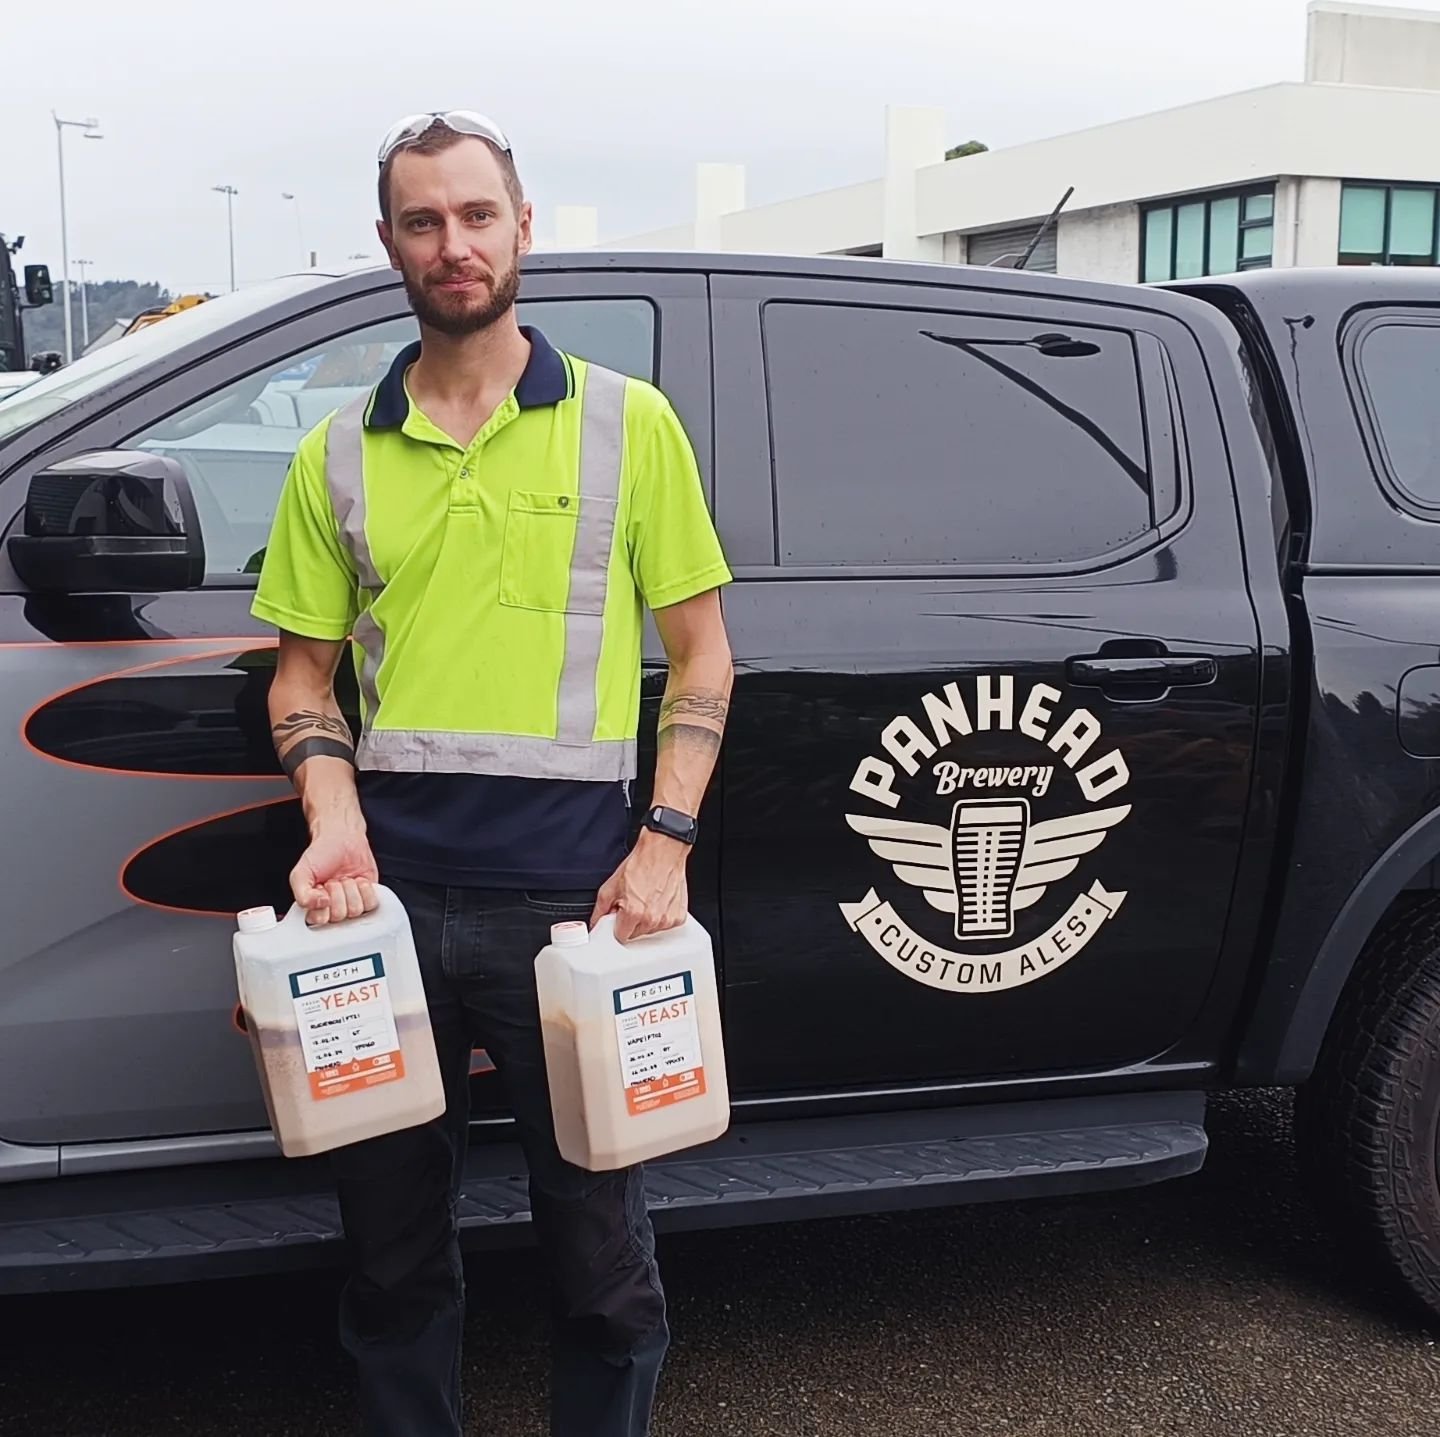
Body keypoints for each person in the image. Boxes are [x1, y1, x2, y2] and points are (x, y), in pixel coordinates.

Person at [251, 108, 735, 1437]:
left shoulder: (629, 430)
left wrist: (664, 846)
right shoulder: (335, 455)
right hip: (382, 919)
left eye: (476, 214)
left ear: (524, 226)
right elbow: (301, 677)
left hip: (575, 913)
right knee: (392, 1259)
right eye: (424, 221)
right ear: (390, 245)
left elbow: (703, 661)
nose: (453, 244)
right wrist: (335, 818)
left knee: (601, 1259)